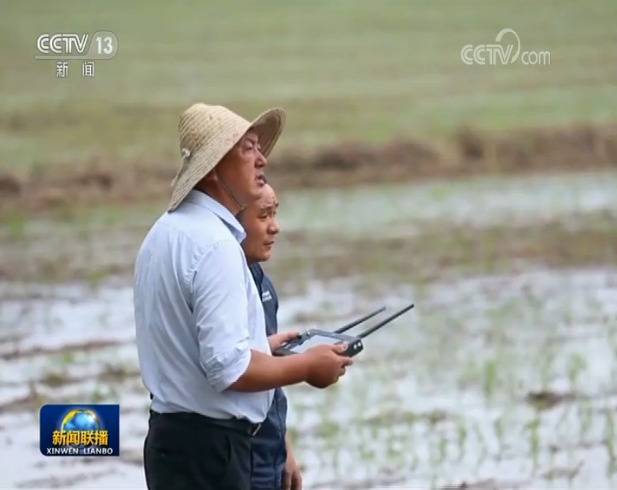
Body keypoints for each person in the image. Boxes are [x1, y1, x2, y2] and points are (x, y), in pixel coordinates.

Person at [133, 103, 352, 490]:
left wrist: (260, 347)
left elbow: (192, 351)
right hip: (213, 453)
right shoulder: (216, 244)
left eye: (258, 147)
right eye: (247, 148)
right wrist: (307, 367)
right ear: (214, 168)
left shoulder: (165, 232)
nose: (262, 159)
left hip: (172, 442)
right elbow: (228, 369)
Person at [238, 183, 301, 490]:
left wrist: (284, 446)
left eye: (275, 214)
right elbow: (233, 368)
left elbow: (267, 371)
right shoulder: (224, 281)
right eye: (264, 216)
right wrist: (308, 367)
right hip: (238, 451)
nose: (275, 227)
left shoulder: (261, 279)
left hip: (268, 447)